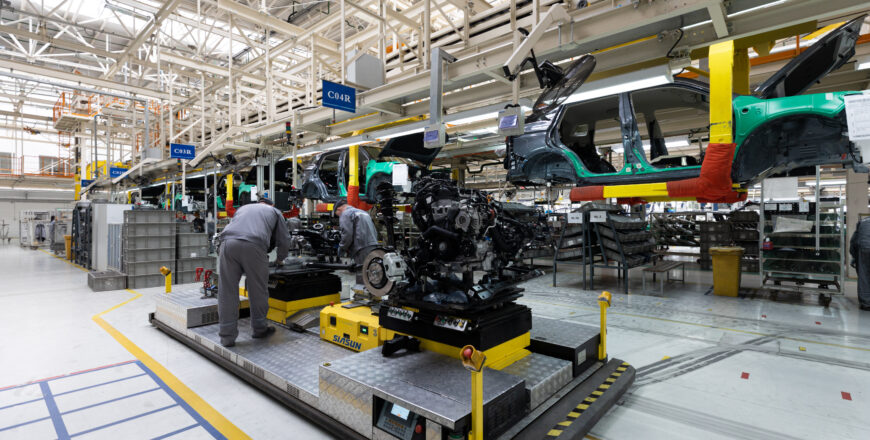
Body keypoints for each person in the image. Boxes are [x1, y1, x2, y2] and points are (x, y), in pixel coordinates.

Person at [217, 197, 290, 347]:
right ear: (272, 204)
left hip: (226, 244)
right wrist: (280, 259)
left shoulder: (242, 209)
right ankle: (259, 329)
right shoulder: (275, 212)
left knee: (227, 291)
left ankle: (227, 337)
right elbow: (284, 239)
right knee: (258, 290)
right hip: (254, 245)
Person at [334, 199, 379, 286]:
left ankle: (362, 294)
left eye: (337, 215)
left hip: (361, 247)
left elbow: (347, 234)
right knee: (372, 270)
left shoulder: (345, 214)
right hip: (373, 244)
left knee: (361, 271)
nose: (339, 216)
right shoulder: (363, 212)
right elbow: (374, 230)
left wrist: (342, 247)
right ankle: (374, 292)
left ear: (339, 209)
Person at [850, 217, 870, 311]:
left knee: (864, 276)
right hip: (864, 248)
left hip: (864, 250)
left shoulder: (862, 222)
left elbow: (854, 241)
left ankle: (866, 303)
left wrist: (855, 257)